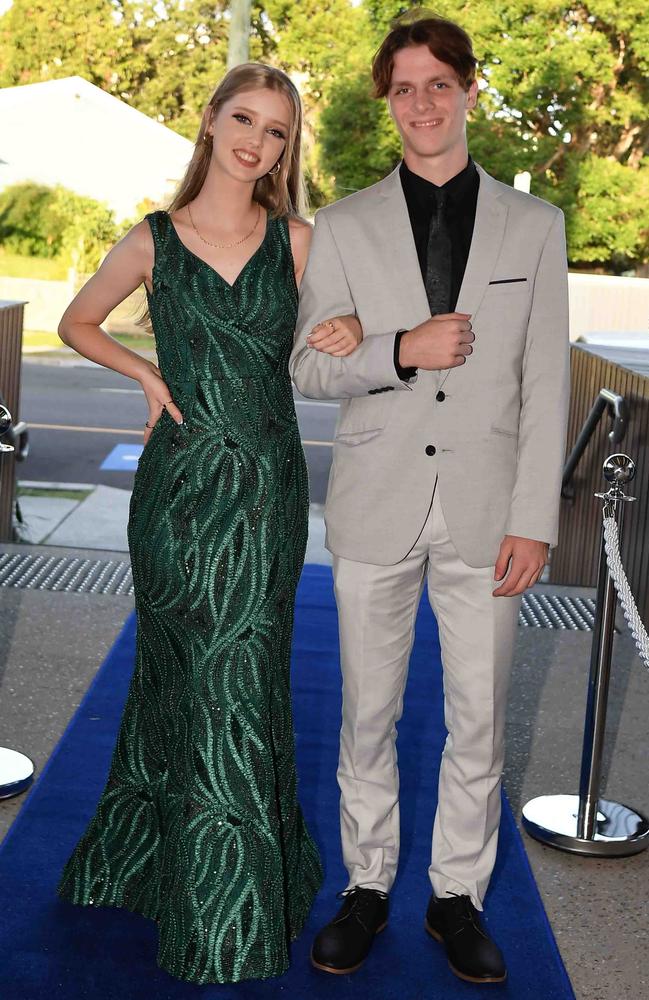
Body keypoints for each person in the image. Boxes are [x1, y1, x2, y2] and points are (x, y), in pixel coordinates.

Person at [56, 63, 358, 985]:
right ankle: (146, 864)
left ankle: (228, 902)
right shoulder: (153, 238)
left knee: (241, 670)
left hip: (265, 493)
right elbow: (77, 323)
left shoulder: (302, 242)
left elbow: (346, 331)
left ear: (284, 147)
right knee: (173, 669)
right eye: (243, 119)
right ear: (211, 120)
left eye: (275, 130)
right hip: (177, 494)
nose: (256, 142)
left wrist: (343, 327)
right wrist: (147, 377)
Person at [290, 13, 570, 985]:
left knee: (477, 716)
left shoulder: (535, 227)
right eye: (402, 87)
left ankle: (456, 896)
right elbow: (307, 369)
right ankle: (365, 886)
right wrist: (396, 351)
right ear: (386, 100)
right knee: (364, 713)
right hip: (376, 503)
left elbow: (544, 381)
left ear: (467, 91)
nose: (420, 102)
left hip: (489, 514)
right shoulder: (344, 224)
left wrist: (535, 518)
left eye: (437, 84)